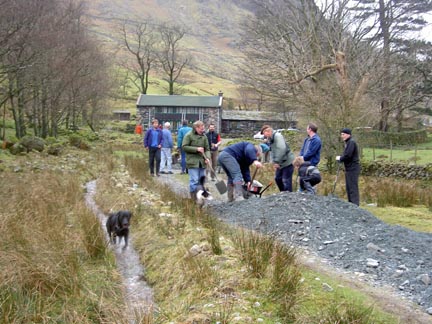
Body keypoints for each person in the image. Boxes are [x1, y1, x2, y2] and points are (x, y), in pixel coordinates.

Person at [182, 120, 211, 201]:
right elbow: (184, 147)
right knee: (194, 181)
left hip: (202, 162)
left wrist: (207, 158)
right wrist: (196, 149)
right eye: (201, 129)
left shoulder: (204, 137)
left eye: (203, 129)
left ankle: (200, 197)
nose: (203, 130)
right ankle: (194, 199)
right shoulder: (188, 136)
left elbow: (207, 149)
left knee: (201, 181)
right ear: (196, 128)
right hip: (192, 162)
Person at [260, 125, 295, 192]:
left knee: (286, 181)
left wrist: (277, 162)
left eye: (264, 134)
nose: (265, 136)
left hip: (287, 162)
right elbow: (273, 151)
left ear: (268, 131)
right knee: (278, 179)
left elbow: (281, 148)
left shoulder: (278, 136)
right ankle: (282, 195)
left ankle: (288, 197)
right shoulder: (271, 139)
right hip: (280, 163)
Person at [337, 128, 361, 206]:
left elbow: (348, 155)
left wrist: (340, 158)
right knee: (349, 187)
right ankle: (351, 204)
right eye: (341, 134)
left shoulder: (351, 143)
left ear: (348, 134)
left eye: (343, 134)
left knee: (352, 187)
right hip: (349, 168)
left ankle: (355, 205)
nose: (342, 136)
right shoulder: (348, 143)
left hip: (353, 168)